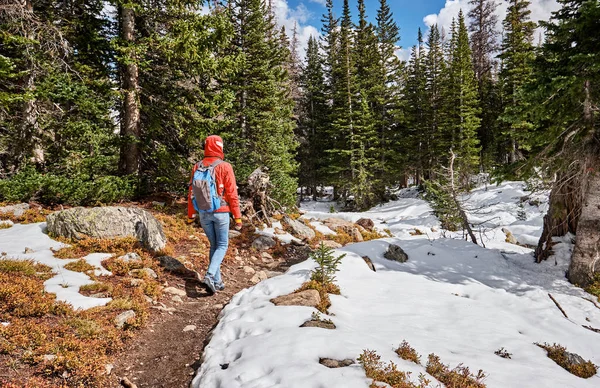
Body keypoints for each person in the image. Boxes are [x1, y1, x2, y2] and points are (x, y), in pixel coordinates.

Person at [187, 135, 242, 294]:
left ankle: (217, 282)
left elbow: (191, 192)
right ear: (220, 147)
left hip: (204, 213)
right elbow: (232, 194)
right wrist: (237, 217)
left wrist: (191, 214)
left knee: (214, 245)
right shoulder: (225, 166)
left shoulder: (197, 166)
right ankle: (210, 276)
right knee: (222, 245)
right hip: (221, 212)